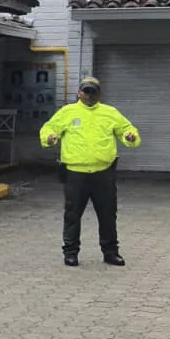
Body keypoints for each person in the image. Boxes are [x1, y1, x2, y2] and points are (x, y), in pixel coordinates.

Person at [40, 76, 141, 267]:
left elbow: (127, 130)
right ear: (79, 92)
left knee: (107, 214)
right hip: (75, 173)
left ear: (99, 94)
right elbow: (49, 128)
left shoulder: (110, 113)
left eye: (93, 91)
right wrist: (50, 137)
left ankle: (111, 252)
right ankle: (71, 252)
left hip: (103, 173)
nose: (89, 95)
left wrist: (130, 136)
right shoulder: (67, 112)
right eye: (85, 91)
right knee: (72, 215)